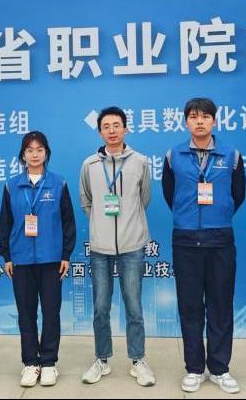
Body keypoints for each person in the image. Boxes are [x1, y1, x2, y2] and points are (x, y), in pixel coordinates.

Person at [162, 97, 245, 394]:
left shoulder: (231, 155)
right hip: (186, 239)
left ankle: (220, 368)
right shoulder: (173, 156)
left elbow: (238, 194)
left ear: (214, 121)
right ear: (186, 121)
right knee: (190, 306)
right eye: (194, 116)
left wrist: (218, 213)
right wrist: (188, 215)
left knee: (221, 305)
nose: (200, 121)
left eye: (206, 116)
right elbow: (170, 194)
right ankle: (195, 368)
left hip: (220, 239)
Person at [79, 106, 156, 387]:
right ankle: (102, 359)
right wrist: (101, 224)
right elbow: (86, 201)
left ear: (126, 128)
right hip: (100, 248)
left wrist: (128, 225)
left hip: (132, 246)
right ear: (100, 132)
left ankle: (138, 360)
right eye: (106, 126)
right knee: (101, 307)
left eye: (116, 125)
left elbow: (143, 199)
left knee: (134, 306)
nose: (111, 131)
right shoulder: (89, 165)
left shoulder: (140, 162)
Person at [0, 131, 76, 387]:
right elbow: (4, 223)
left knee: (51, 313)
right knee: (26, 313)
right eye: (30, 150)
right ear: (23, 155)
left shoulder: (58, 183)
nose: (34, 154)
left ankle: (49, 362)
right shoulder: (11, 185)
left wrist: (65, 254)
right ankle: (31, 363)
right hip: (21, 260)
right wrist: (7, 256)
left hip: (51, 259)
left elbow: (68, 221)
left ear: (46, 153)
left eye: (39, 149)